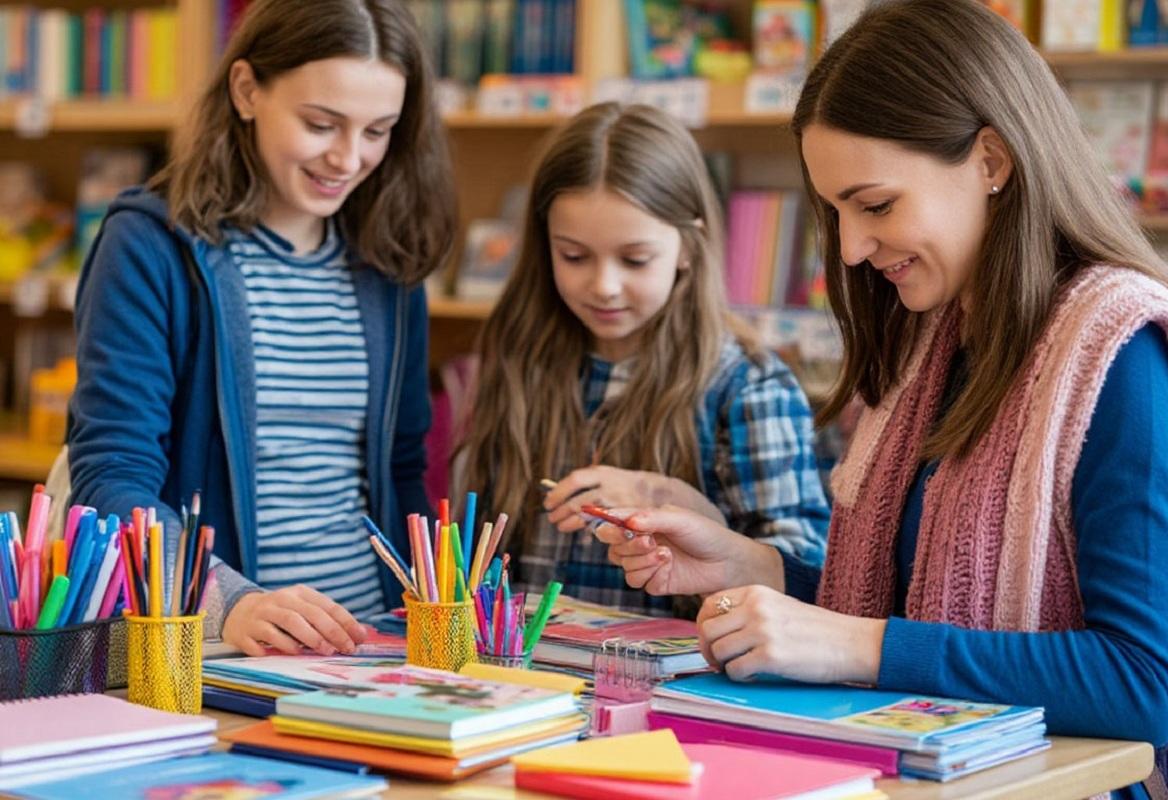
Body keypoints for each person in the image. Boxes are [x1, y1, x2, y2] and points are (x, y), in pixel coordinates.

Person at [594, 0, 1168, 796]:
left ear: (991, 161)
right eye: (835, 212)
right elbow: (909, 601)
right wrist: (756, 567)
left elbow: (1142, 684)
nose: (850, 247)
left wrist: (855, 647)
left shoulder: (1119, 349)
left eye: (875, 205)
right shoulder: (931, 342)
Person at [66, 0, 455, 656]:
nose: (348, 158)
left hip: (379, 647)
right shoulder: (150, 246)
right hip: (227, 649)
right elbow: (112, 475)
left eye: (377, 130)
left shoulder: (389, 259)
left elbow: (402, 467)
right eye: (321, 123)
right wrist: (231, 604)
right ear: (247, 90)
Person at [456, 102, 830, 615]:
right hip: (526, 673)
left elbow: (805, 573)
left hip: (676, 684)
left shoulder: (748, 384)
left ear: (687, 246)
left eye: (635, 259)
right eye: (573, 255)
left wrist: (665, 497)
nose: (604, 286)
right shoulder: (521, 357)